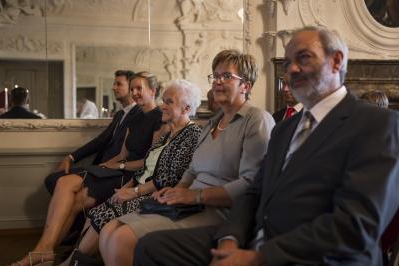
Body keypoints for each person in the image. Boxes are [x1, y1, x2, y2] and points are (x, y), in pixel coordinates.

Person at [134, 26, 399, 266]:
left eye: (303, 57)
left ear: (336, 60)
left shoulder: (377, 124)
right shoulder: (285, 128)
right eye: (287, 63)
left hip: (317, 255)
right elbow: (254, 192)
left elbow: (355, 227)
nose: (292, 69)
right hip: (254, 237)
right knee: (152, 248)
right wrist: (229, 239)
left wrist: (258, 258)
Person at [98, 49, 275, 266]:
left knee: (121, 240)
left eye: (226, 76)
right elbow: (191, 170)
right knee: (109, 230)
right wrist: (178, 190)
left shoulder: (256, 120)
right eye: (215, 76)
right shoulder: (211, 123)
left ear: (245, 86)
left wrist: (196, 196)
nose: (218, 81)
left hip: (222, 211)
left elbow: (252, 185)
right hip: (190, 204)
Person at [12, 71, 163, 266]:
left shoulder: (159, 117)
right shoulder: (135, 117)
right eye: (132, 88)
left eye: (138, 88)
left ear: (152, 91)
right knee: (73, 198)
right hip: (118, 169)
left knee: (65, 182)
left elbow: (150, 161)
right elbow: (122, 153)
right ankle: (47, 251)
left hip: (132, 174)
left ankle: (43, 252)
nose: (134, 92)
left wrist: (119, 165)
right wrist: (106, 165)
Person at [58, 79, 203, 266]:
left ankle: (72, 263)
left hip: (159, 195)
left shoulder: (192, 135)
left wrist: (133, 193)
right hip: (143, 189)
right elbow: (145, 168)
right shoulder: (168, 133)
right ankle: (74, 259)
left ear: (186, 108)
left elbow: (168, 179)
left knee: (106, 215)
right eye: (163, 100)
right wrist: (125, 188)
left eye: (169, 102)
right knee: (98, 210)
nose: (162, 106)